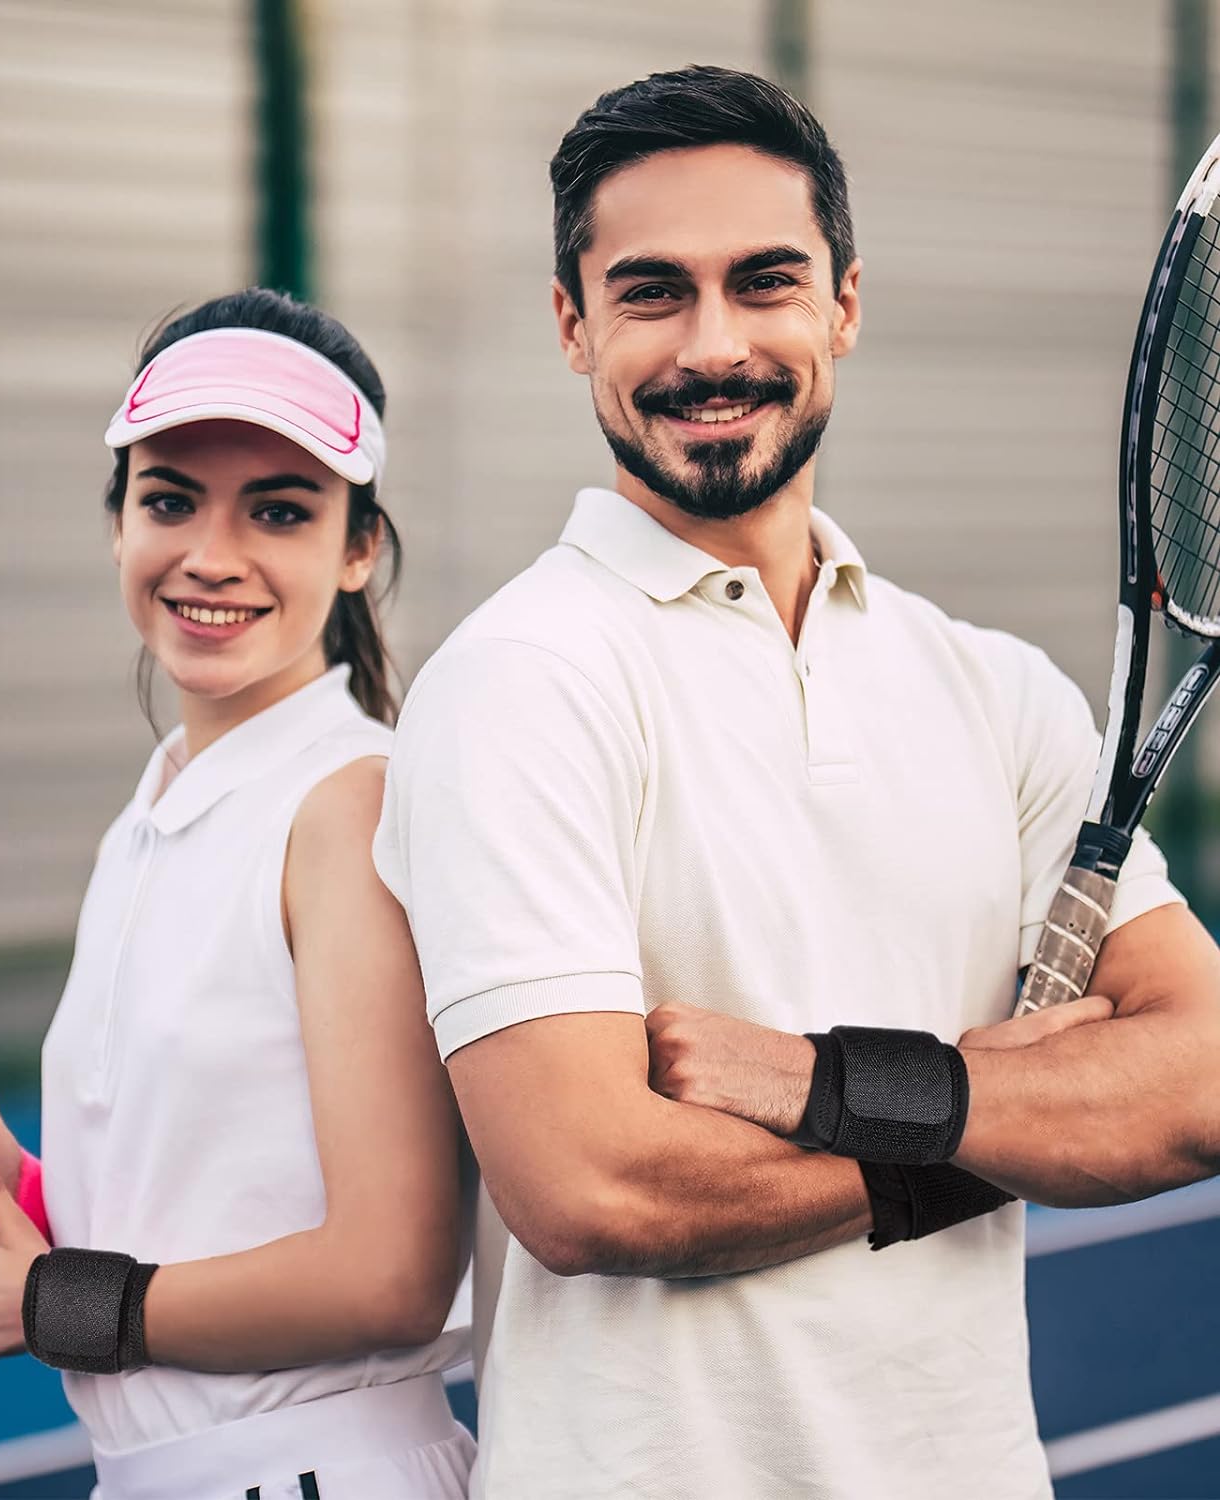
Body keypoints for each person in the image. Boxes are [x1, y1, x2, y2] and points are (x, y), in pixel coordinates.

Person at [372, 65, 1220, 1500]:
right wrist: (1000, 1111)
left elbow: (1197, 1084)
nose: (716, 345)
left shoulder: (994, 688)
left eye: (766, 282)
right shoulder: (518, 683)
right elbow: (592, 1185)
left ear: (843, 306)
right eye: (652, 293)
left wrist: (817, 1084)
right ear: (572, 325)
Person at [0, 289, 475, 1500]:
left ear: (359, 549)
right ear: (116, 524)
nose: (211, 555)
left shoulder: (345, 809)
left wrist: (55, 1299)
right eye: (168, 500)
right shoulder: (158, 804)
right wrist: (32, 1188)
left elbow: (391, 1273)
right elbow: (227, 1184)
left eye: (280, 511)